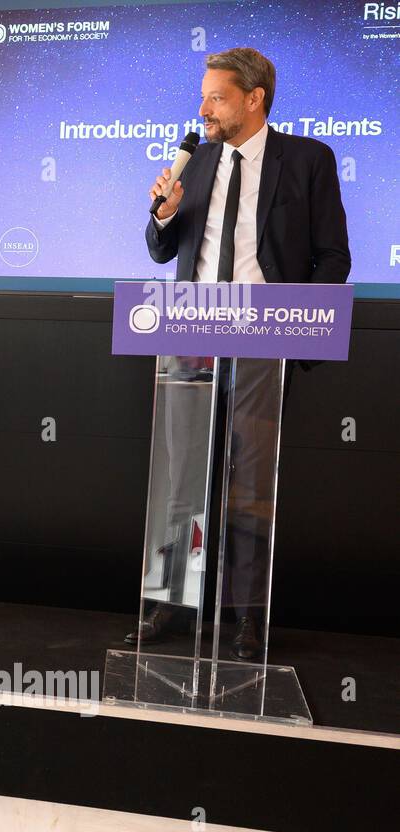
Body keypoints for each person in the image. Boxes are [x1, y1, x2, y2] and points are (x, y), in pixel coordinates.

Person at [144, 47, 350, 660]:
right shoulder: (198, 161)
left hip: (264, 343)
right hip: (189, 337)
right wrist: (165, 213)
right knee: (181, 482)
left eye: (216, 97)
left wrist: (298, 329)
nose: (203, 108)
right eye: (204, 95)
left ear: (253, 99)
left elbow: (333, 257)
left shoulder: (309, 160)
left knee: (249, 482)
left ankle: (245, 617)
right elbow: (159, 250)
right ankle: (172, 606)